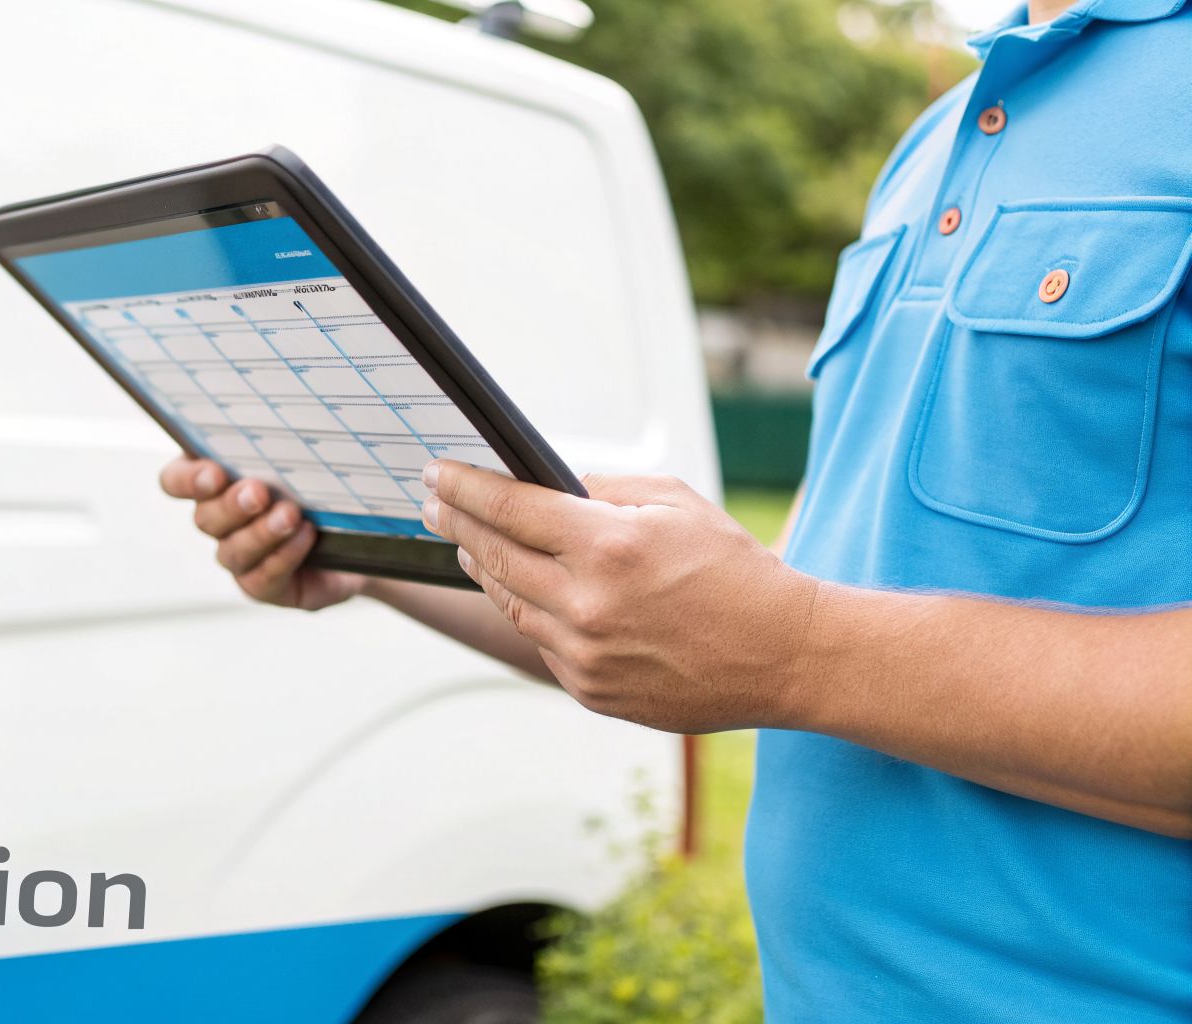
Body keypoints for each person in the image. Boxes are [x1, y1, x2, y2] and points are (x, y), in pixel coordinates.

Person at [158, 0, 1192, 1019]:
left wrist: (795, 649)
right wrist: (372, 547)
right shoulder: (932, 140)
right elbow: (796, 610)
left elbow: (802, 640)